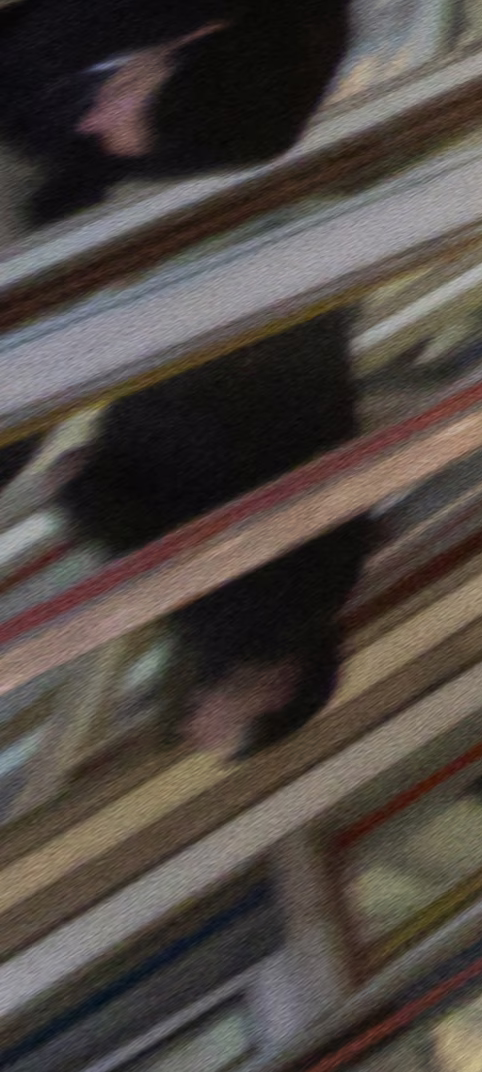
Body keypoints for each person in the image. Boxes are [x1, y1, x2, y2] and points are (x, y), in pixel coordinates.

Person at [55, 314, 372, 756]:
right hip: (204, 383)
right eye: (218, 730)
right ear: (276, 695)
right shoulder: (251, 624)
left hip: (277, 355)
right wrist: (79, 491)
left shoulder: (325, 589)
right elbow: (158, 555)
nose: (195, 725)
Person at [0, 0, 354, 224]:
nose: (87, 122)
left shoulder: (197, 138)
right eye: (124, 91)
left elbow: (92, 158)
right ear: (197, 36)